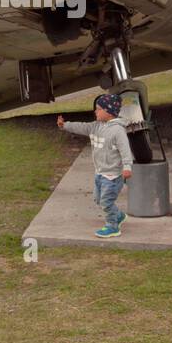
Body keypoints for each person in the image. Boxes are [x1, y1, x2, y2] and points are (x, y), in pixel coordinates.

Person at [57, 93, 134, 238]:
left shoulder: (118, 130)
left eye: (98, 109)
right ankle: (118, 215)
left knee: (106, 202)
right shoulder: (95, 127)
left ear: (109, 112)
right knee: (98, 199)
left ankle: (112, 226)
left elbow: (125, 151)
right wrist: (65, 125)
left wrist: (127, 167)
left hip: (112, 176)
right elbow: (81, 127)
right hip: (100, 173)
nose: (95, 111)